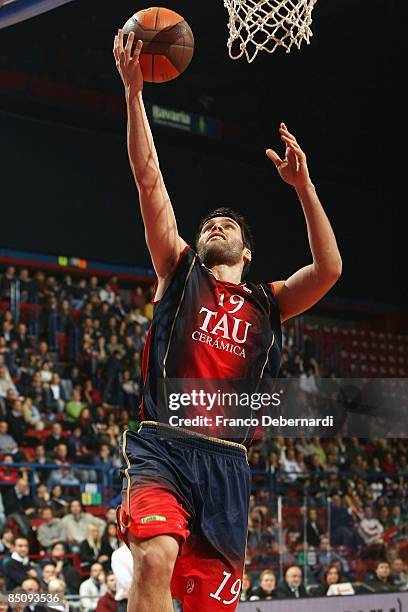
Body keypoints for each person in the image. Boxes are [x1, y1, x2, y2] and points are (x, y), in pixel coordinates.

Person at [113, 27, 342, 612]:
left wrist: (304, 187)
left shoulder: (270, 301)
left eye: (228, 224)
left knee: (205, 603)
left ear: (247, 252)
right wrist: (135, 95)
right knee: (154, 560)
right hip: (162, 446)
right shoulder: (177, 268)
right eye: (209, 220)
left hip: (227, 465)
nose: (215, 224)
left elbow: (329, 268)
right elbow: (148, 179)